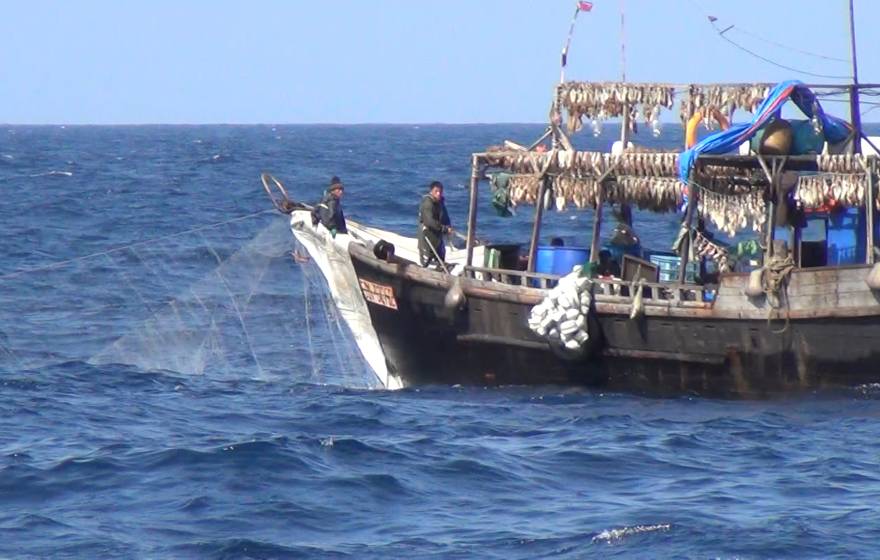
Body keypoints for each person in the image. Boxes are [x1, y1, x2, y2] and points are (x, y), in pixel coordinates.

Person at [418, 181, 452, 268]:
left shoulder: (440, 203)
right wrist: (443, 228)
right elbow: (429, 221)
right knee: (428, 256)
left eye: (440, 192)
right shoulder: (427, 204)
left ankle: (440, 265)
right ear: (431, 191)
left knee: (440, 253)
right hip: (428, 235)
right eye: (436, 191)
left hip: (437, 236)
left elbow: (445, 216)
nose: (438, 194)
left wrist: (448, 226)